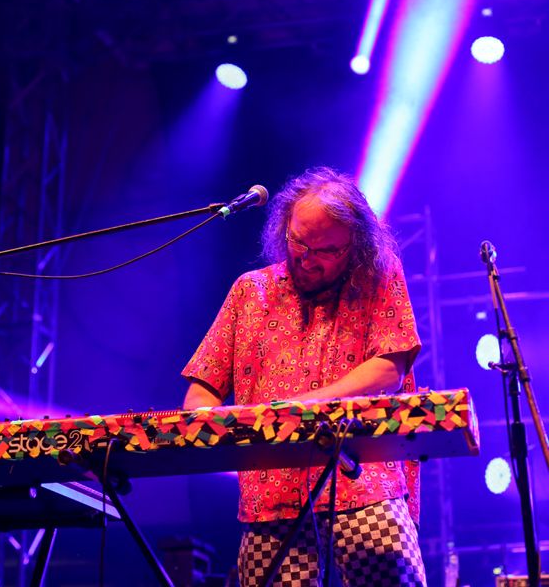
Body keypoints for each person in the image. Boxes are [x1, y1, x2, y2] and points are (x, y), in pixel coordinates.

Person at [182, 167, 426, 586]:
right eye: (299, 242)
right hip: (270, 498)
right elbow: (202, 389)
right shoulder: (249, 291)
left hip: (364, 485)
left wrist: (305, 406)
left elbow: (390, 366)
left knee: (390, 571)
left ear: (355, 244)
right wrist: (212, 425)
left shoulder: (379, 278)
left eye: (327, 250)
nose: (307, 259)